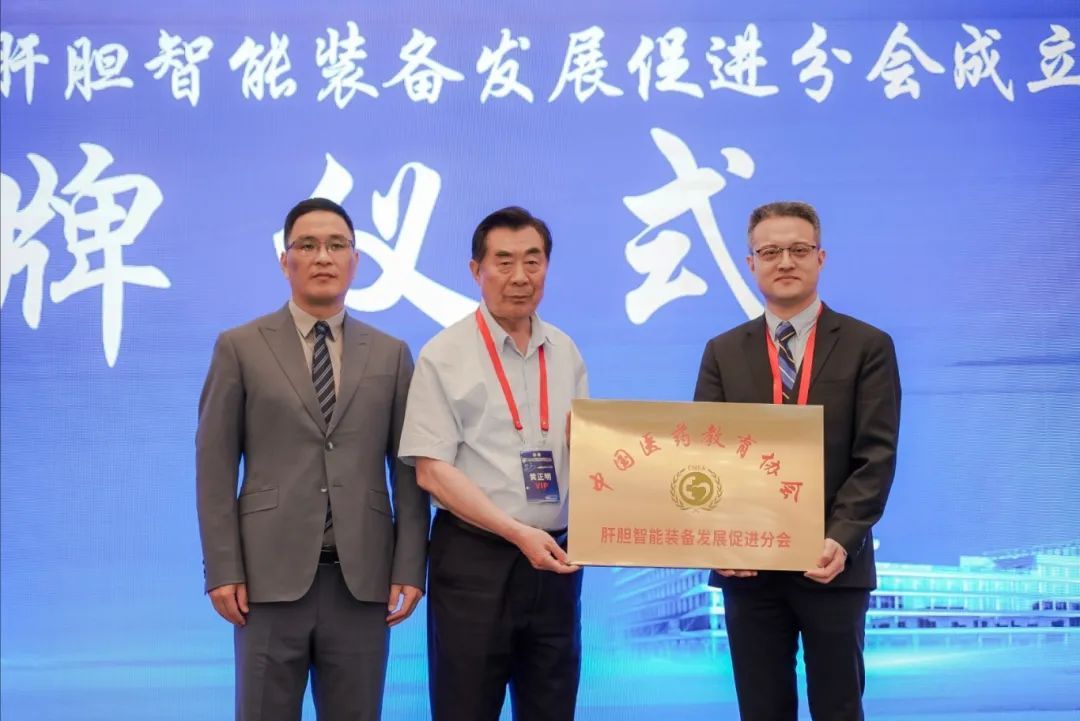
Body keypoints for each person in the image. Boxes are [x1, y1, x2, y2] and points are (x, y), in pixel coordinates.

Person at [195, 197, 428, 721]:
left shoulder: (390, 354)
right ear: (285, 261)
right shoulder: (240, 347)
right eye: (307, 245)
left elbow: (409, 470)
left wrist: (410, 566)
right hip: (266, 580)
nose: (323, 256)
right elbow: (213, 466)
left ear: (355, 260)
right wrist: (222, 568)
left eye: (336, 245)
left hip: (361, 579)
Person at [694, 201, 901, 721]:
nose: (785, 261)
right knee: (761, 708)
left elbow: (876, 455)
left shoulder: (868, 345)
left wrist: (840, 537)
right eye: (770, 252)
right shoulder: (723, 351)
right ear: (751, 264)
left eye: (798, 250)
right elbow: (703, 456)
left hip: (832, 563)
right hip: (748, 568)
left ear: (820, 257)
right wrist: (718, 537)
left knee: (838, 706)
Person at [399, 206, 588, 721]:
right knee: (466, 707)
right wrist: (517, 533)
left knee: (553, 706)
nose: (520, 276)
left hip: (555, 560)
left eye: (533, 260)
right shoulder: (444, 354)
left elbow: (586, 451)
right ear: (475, 270)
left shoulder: (565, 351)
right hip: (475, 562)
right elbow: (431, 470)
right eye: (503, 262)